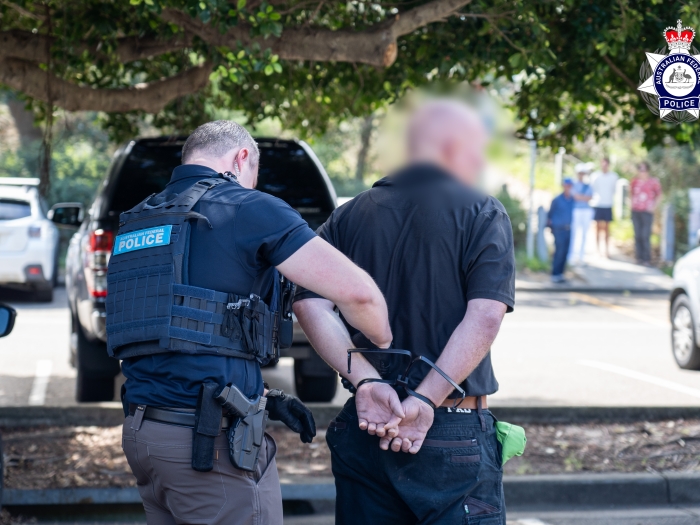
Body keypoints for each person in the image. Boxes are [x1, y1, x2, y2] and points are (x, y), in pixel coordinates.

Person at [106, 121, 392, 525]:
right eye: (254, 173)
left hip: (145, 435)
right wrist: (381, 340)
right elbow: (358, 293)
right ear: (242, 158)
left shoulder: (141, 219)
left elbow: (178, 341)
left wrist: (261, 398)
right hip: (206, 446)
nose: (253, 185)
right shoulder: (247, 206)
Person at [294, 100, 515, 525]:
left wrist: (366, 382)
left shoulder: (347, 216)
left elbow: (308, 301)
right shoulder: (483, 212)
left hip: (366, 425)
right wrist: (425, 400)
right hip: (452, 428)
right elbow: (485, 316)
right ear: (455, 147)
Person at [630, 161, 662, 265]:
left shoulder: (654, 182)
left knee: (645, 235)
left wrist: (653, 207)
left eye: (644, 170)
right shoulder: (634, 181)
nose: (642, 172)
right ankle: (638, 258)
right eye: (640, 169)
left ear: (648, 171)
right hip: (636, 210)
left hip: (647, 212)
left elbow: (659, 195)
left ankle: (646, 259)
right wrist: (630, 204)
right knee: (637, 235)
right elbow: (630, 193)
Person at [590, 157, 619, 257]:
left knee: (607, 229)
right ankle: (597, 249)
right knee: (597, 228)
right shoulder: (595, 176)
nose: (604, 166)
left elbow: (614, 190)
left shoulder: (614, 176)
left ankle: (607, 250)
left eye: (606, 164)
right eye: (602, 164)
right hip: (598, 204)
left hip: (608, 204)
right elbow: (593, 189)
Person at [548, 178, 575, 283]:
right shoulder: (557, 199)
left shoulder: (571, 199)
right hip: (559, 229)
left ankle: (561, 274)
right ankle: (555, 274)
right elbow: (550, 214)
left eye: (570, 185)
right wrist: (551, 227)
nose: (568, 187)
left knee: (565, 252)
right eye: (566, 185)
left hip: (568, 228)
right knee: (559, 251)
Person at [568, 163, 593, 265]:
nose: (581, 175)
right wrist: (582, 197)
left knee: (584, 234)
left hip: (586, 211)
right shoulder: (573, 184)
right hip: (576, 210)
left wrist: (580, 197)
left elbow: (589, 197)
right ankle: (572, 257)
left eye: (583, 173)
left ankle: (581, 257)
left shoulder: (588, 185)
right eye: (580, 173)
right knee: (574, 233)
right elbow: (575, 197)